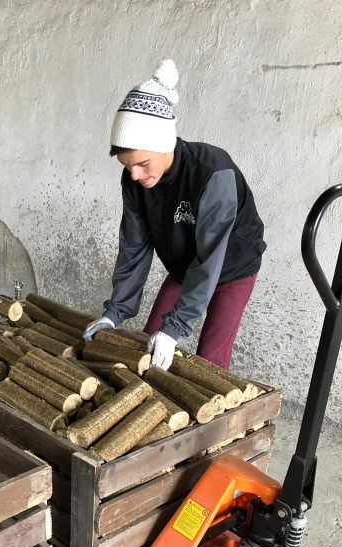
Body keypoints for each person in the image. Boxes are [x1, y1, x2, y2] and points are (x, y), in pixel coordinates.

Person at [83, 59, 266, 371]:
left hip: (231, 266)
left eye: (142, 163)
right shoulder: (135, 181)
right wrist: (115, 312)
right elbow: (134, 248)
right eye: (127, 166)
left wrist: (176, 327)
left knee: (207, 364)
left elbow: (210, 258)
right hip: (185, 267)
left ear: (163, 145)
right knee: (148, 344)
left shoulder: (212, 172)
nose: (135, 174)